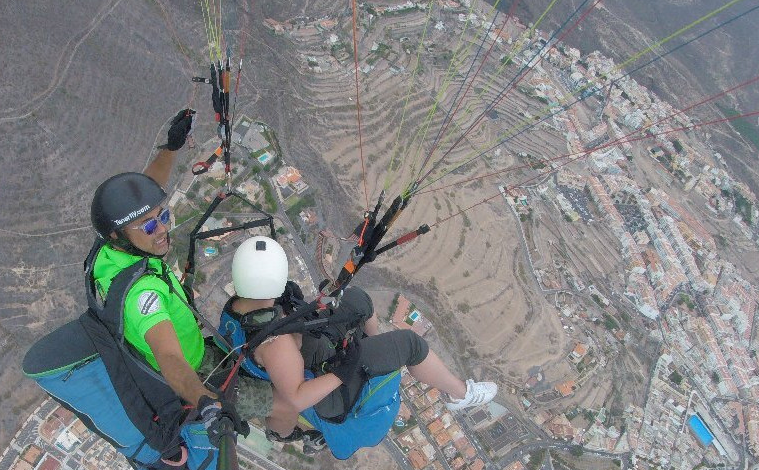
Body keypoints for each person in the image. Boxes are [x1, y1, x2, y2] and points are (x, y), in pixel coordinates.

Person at [221, 235, 497, 450]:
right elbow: (296, 397)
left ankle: (373, 352)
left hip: (308, 345)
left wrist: (296, 305)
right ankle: (462, 395)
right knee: (411, 345)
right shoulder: (275, 343)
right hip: (324, 386)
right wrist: (341, 373)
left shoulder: (241, 305)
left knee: (357, 299)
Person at [88, 108, 233, 428]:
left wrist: (172, 147)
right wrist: (205, 402)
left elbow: (144, 193)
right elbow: (170, 359)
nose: (162, 229)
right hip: (196, 368)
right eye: (150, 226)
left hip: (194, 346)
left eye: (163, 216)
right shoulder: (143, 295)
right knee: (278, 403)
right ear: (118, 234)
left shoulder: (110, 247)